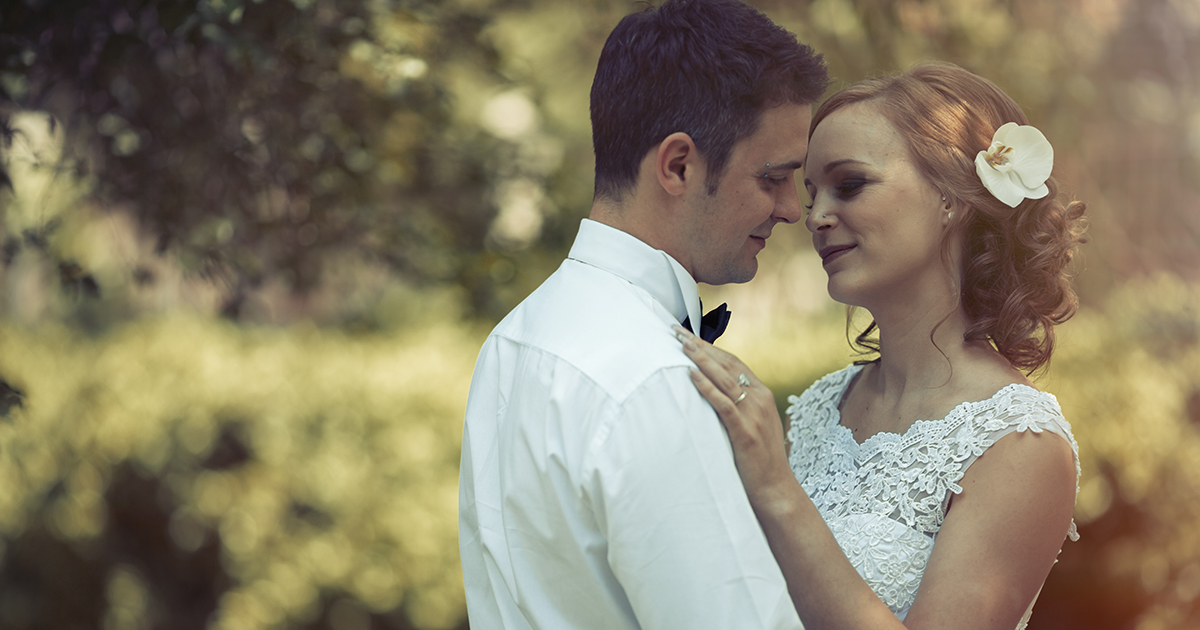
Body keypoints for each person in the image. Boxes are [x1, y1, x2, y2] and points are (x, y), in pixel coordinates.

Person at [457, 0, 828, 628]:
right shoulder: (658, 382)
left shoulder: (512, 340)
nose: (793, 209)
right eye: (773, 177)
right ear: (679, 165)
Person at [677, 62, 1088, 629]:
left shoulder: (1019, 442)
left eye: (849, 185)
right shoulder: (820, 406)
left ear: (954, 197)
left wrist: (774, 485)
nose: (815, 216)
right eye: (812, 192)